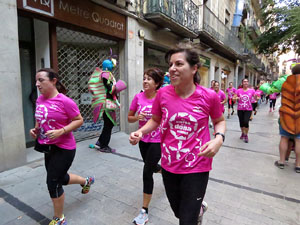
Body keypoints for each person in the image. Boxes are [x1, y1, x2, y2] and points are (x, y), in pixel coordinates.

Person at [129, 47, 225, 225]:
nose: (172, 68)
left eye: (179, 63)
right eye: (170, 64)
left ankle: (194, 213)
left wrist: (218, 138)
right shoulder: (163, 94)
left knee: (186, 220)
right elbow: (156, 120)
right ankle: (198, 210)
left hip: (198, 164)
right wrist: (140, 132)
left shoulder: (209, 96)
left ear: (194, 68)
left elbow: (219, 120)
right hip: (169, 163)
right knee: (178, 212)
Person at [30, 68, 94, 225]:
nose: (37, 84)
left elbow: (79, 120)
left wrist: (62, 131)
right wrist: (36, 129)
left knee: (53, 182)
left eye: (41, 80)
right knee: (61, 178)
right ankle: (86, 181)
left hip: (64, 148)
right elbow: (40, 118)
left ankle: (59, 218)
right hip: (47, 146)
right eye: (36, 80)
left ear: (53, 81)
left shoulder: (65, 101)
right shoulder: (40, 99)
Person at [128, 68, 164, 225]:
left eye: (149, 79)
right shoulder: (138, 97)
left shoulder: (162, 98)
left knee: (146, 172)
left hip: (158, 141)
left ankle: (144, 211)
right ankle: (161, 169)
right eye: (144, 78)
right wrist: (137, 117)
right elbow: (129, 118)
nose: (145, 81)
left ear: (156, 83)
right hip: (143, 141)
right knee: (151, 166)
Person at [88, 58, 127, 153]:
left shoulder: (101, 74)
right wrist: (120, 86)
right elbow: (111, 90)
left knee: (108, 125)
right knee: (108, 125)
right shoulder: (106, 75)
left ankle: (100, 143)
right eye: (112, 65)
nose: (113, 67)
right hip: (107, 103)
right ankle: (104, 146)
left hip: (105, 102)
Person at [275, 64, 300, 173]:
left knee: (284, 138)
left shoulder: (285, 83)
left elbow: (272, 89)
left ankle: (281, 162)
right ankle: (298, 165)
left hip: (286, 116)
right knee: (298, 140)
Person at [234, 78, 257, 143]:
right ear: (242, 83)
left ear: (248, 83)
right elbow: (233, 98)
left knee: (246, 122)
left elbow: (256, 98)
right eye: (244, 81)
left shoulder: (252, 91)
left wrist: (257, 96)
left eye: (247, 82)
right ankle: (242, 133)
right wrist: (236, 98)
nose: (246, 83)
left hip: (248, 109)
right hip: (240, 109)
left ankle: (246, 135)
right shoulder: (238, 90)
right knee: (241, 123)